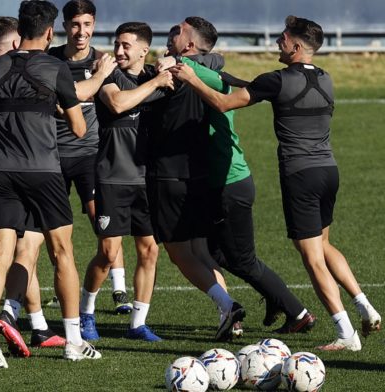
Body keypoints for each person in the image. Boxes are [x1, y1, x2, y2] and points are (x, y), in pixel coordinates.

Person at [171, 15, 381, 351]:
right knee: (324, 245)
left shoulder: (278, 80)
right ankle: (364, 305)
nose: (277, 43)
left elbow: (224, 102)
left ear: (296, 47)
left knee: (311, 256)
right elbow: (241, 84)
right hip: (329, 171)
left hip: (300, 176)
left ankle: (345, 333)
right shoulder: (327, 79)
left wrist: (192, 78)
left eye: (282, 39)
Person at [0, 0, 100, 366]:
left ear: (19, 31)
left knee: (1, 252)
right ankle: (74, 340)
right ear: (49, 32)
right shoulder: (56, 68)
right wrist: (58, 109)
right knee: (62, 253)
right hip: (43, 171)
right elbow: (77, 128)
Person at [165, 42, 317, 335]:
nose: (171, 42)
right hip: (220, 184)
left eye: (177, 36)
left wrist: (178, 64)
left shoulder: (202, 75)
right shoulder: (211, 74)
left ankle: (299, 313)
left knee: (243, 260)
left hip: (231, 184)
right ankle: (275, 300)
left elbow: (202, 72)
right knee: (216, 252)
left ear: (193, 45)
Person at [0, 16, 65, 358]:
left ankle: (34, 324)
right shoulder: (18, 72)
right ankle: (10, 313)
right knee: (29, 249)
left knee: (4, 250)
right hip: (33, 170)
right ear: (13, 45)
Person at [147, 16, 244, 342]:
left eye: (177, 31)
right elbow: (217, 61)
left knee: (179, 253)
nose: (170, 33)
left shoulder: (173, 71)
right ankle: (231, 318)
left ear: (188, 44)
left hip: (169, 173)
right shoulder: (210, 68)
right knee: (200, 251)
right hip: (200, 174)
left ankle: (227, 305)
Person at [79, 22, 173, 342]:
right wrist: (159, 81)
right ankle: (86, 314)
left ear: (144, 50)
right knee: (107, 254)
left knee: (149, 251)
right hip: (111, 178)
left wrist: (167, 69)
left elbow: (210, 64)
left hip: (147, 180)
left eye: (126, 46)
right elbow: (118, 104)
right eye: (117, 44)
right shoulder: (107, 77)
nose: (119, 51)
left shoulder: (156, 76)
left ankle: (137, 323)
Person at [48, 0, 134, 315]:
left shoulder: (103, 60)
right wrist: (96, 80)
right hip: (52, 155)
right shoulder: (50, 60)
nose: (80, 32)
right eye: (74, 25)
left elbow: (115, 99)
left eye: (86, 25)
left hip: (90, 154)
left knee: (105, 222)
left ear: (93, 25)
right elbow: (66, 98)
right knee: (56, 227)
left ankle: (120, 289)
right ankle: (63, 283)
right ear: (64, 26)